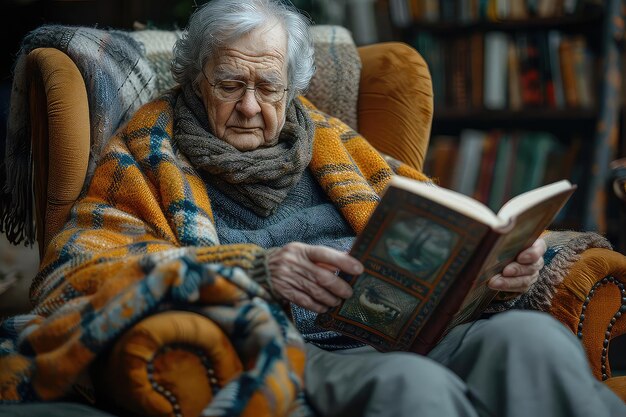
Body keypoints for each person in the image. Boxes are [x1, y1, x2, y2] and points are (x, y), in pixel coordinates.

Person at [1, 0, 625, 416]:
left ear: (294, 85)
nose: (250, 106)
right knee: (410, 388)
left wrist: (501, 261)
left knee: (531, 339)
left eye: (267, 86)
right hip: (301, 348)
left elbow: (438, 218)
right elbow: (71, 280)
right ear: (196, 80)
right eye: (230, 84)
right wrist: (254, 267)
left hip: (406, 331)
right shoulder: (143, 154)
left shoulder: (333, 142)